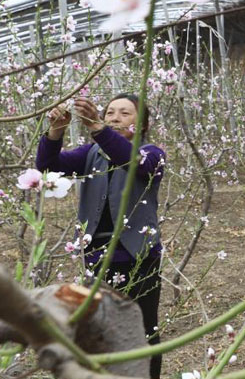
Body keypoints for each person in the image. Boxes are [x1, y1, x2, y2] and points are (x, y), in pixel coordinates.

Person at [36, 94, 165, 379]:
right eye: (109, 113)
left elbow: (134, 163)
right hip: (97, 256)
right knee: (99, 330)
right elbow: (47, 168)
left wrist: (97, 127)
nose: (115, 118)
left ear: (142, 124)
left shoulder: (152, 154)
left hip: (138, 257)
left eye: (124, 113)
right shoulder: (91, 154)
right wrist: (55, 131)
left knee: (144, 330)